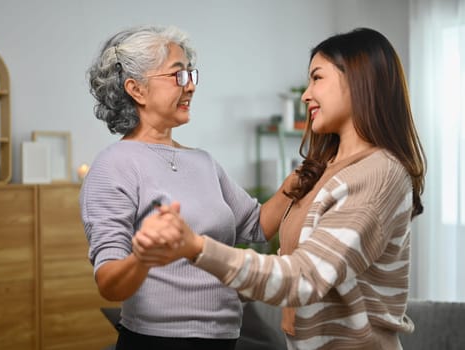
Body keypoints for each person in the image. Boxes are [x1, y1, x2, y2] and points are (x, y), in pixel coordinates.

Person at [133, 27, 426, 350]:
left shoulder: (379, 174)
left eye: (317, 78)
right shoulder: (320, 170)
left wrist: (197, 248)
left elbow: (303, 278)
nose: (305, 94)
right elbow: (288, 261)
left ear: (358, 81)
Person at [80, 24, 294, 350]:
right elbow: (109, 284)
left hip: (223, 339)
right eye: (178, 76)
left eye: (192, 75)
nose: (190, 86)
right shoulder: (113, 165)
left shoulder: (203, 162)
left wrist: (298, 181)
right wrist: (143, 258)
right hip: (156, 342)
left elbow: (256, 225)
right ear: (136, 90)